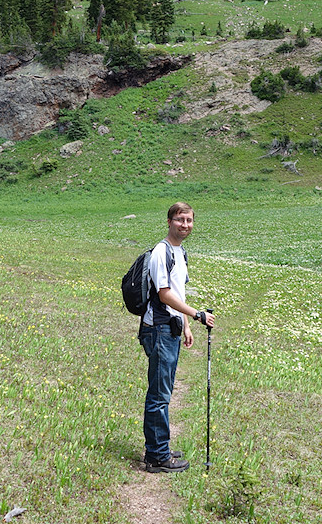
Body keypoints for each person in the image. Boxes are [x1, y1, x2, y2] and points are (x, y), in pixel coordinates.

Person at [140, 202, 215, 473]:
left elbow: (177, 294)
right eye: (180, 220)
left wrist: (185, 325)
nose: (185, 225)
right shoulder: (162, 252)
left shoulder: (180, 252)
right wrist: (197, 315)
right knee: (159, 394)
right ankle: (158, 457)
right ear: (169, 221)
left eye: (189, 220)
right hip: (158, 329)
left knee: (164, 391)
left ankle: (159, 446)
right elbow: (164, 294)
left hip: (170, 327)